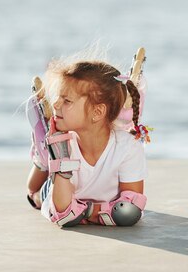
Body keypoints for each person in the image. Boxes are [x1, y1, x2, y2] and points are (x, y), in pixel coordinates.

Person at [26, 54, 149, 227]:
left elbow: (131, 208)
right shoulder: (62, 143)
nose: (55, 104)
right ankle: (41, 156)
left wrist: (85, 211)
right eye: (58, 97)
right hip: (55, 190)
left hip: (77, 200)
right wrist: (60, 152)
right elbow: (63, 213)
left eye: (66, 100)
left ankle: (42, 157)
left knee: (125, 213)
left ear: (97, 112)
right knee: (35, 194)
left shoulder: (128, 147)